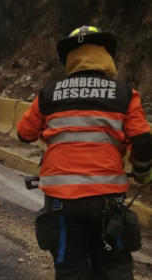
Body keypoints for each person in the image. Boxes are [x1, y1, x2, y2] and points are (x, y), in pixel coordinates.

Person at [17, 26, 152, 280]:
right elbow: (143, 142)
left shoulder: (48, 94)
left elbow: (23, 133)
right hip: (108, 202)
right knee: (114, 269)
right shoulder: (124, 94)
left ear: (70, 58)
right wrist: (143, 172)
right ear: (105, 56)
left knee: (71, 271)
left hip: (62, 203)